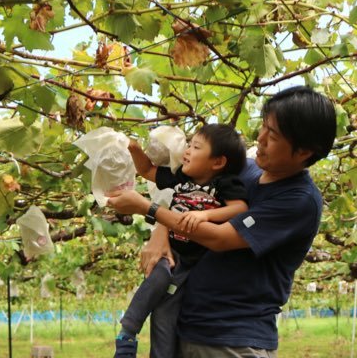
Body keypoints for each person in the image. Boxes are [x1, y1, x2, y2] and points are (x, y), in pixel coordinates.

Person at [108, 86, 337, 357]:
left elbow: (218, 238)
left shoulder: (298, 200)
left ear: (303, 152)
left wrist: (147, 208)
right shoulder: (244, 171)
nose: (260, 138)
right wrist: (161, 230)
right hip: (188, 328)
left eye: (273, 135)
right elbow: (187, 193)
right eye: (263, 127)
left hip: (234, 340)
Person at [114, 124, 248, 358]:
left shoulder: (225, 184)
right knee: (160, 276)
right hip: (171, 252)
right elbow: (146, 170)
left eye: (196, 147)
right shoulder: (179, 177)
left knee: (166, 315)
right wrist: (133, 148)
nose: (186, 150)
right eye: (189, 144)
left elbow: (239, 208)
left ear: (217, 162)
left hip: (194, 263)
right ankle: (127, 333)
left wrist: (205, 214)